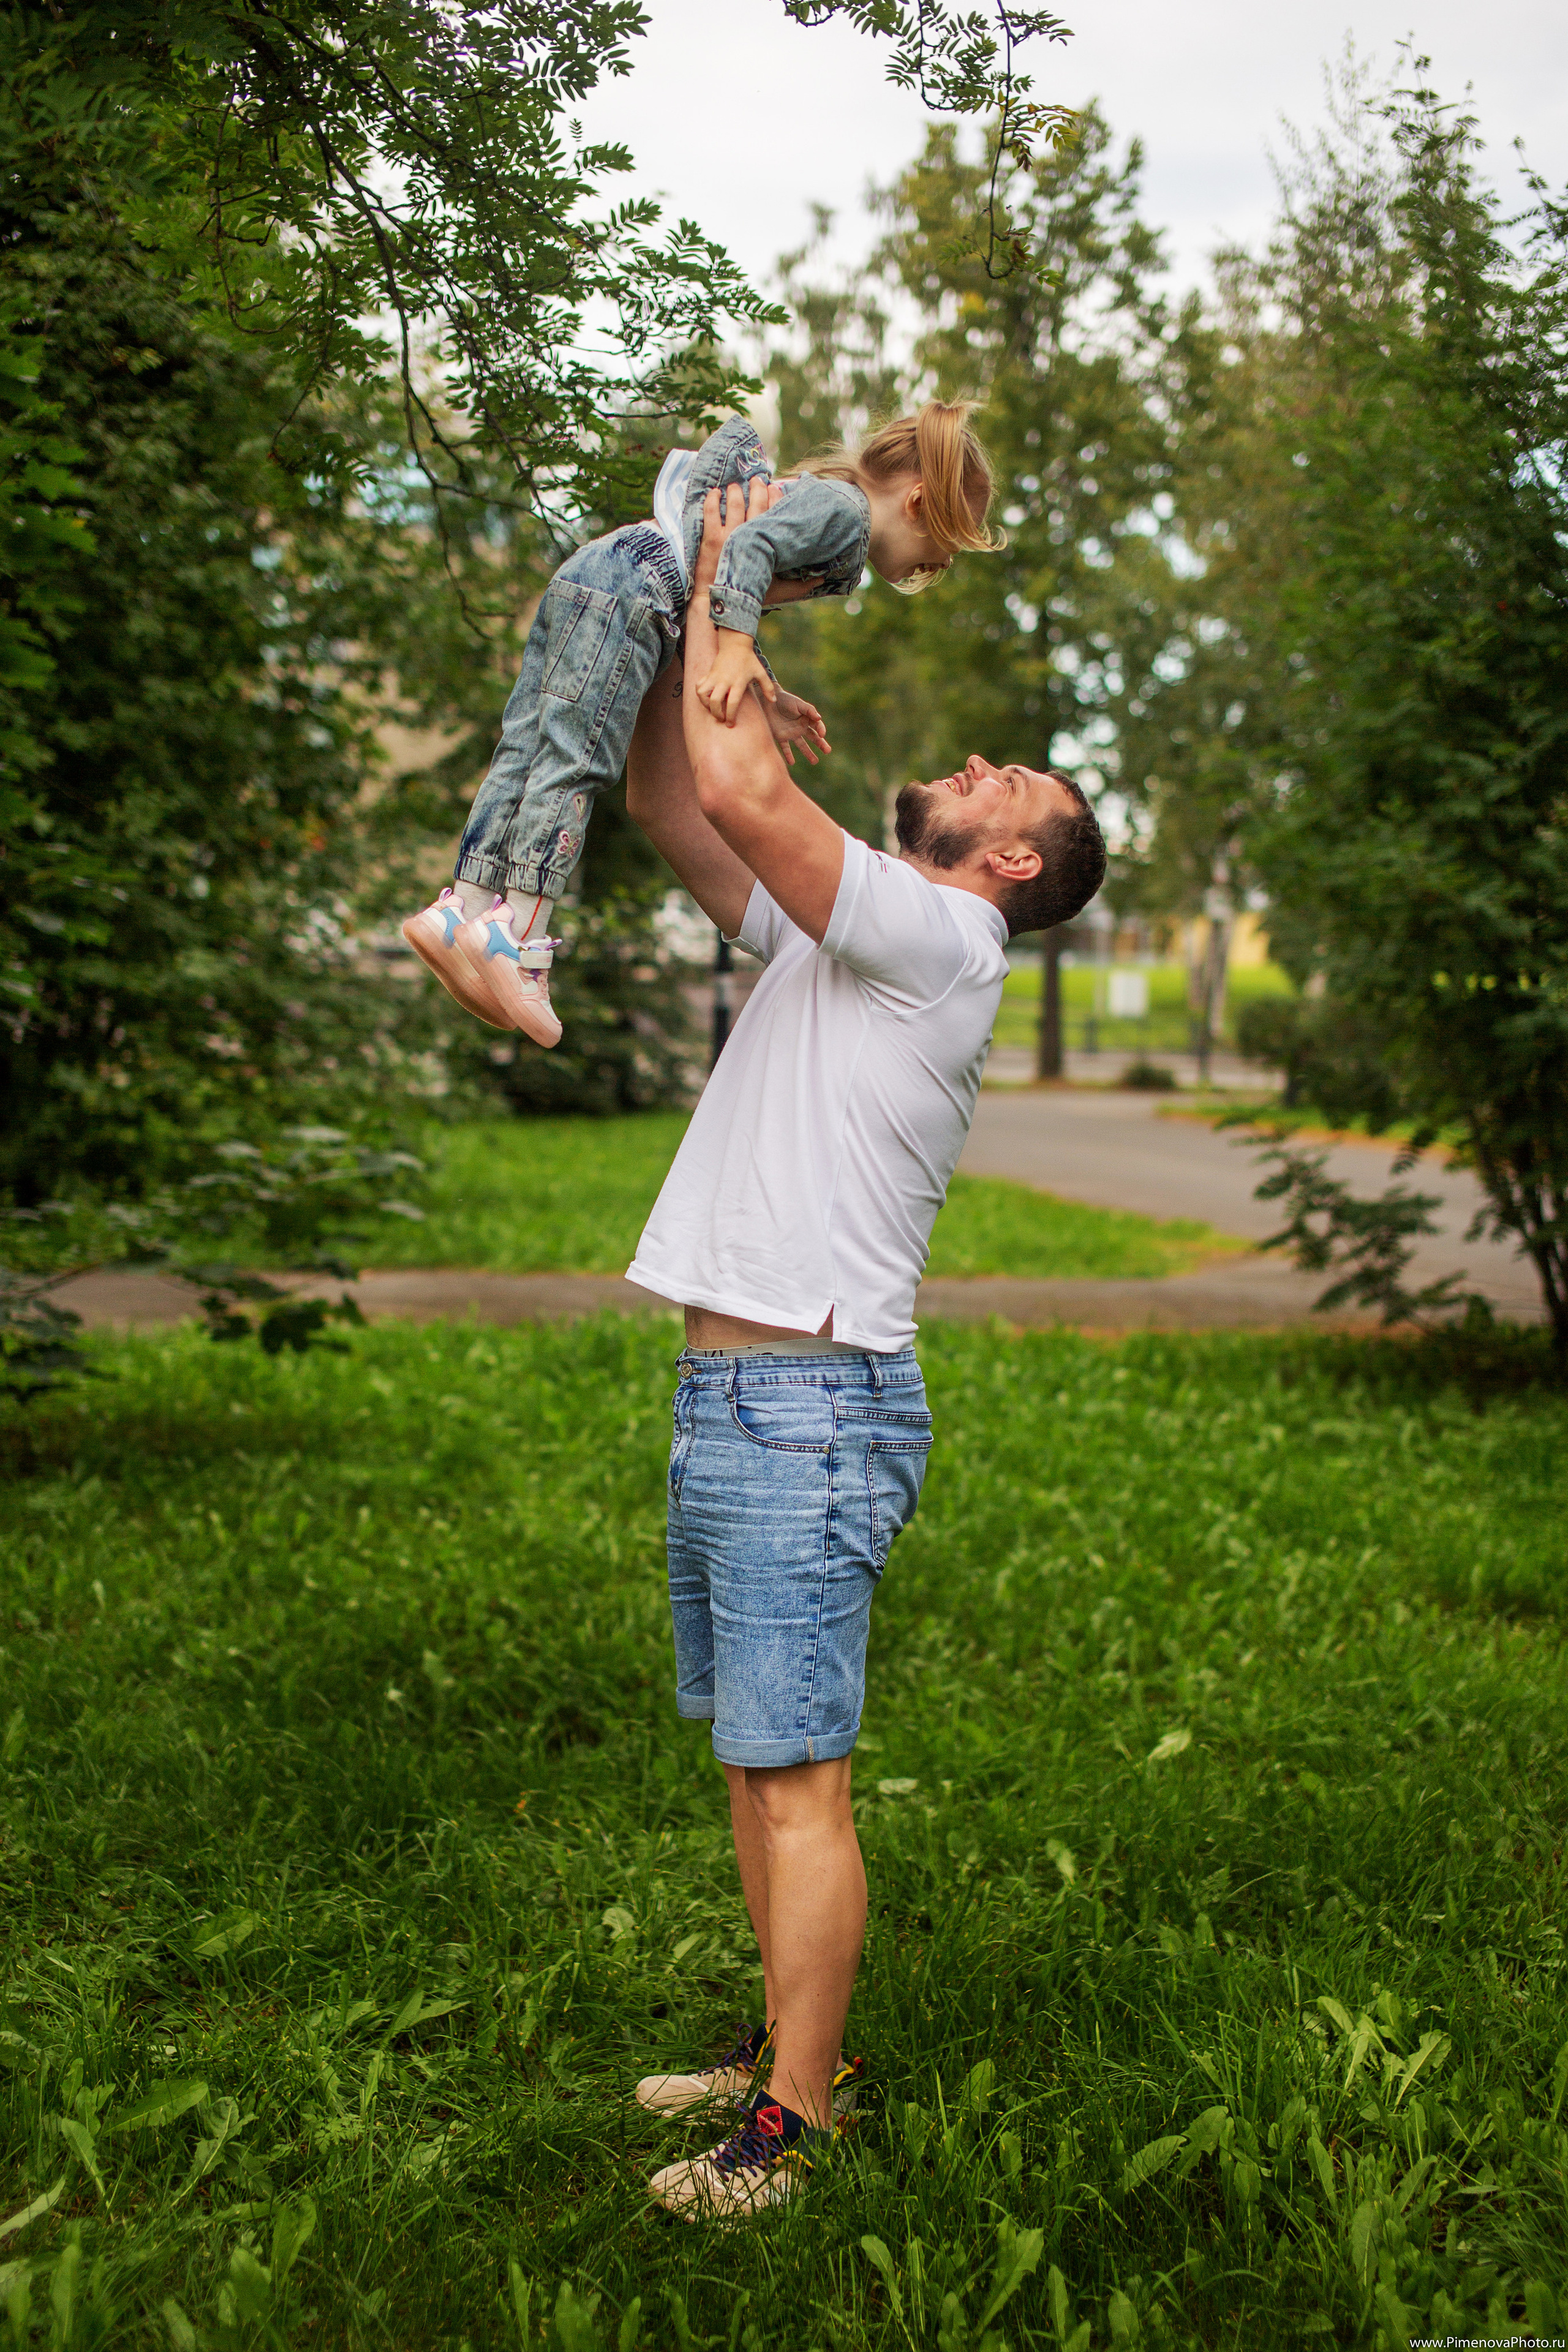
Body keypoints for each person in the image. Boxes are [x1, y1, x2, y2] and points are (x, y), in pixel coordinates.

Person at [619, 479, 1106, 2220]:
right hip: (741, 1396)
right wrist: (689, 645)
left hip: (804, 1406)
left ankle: (795, 2124)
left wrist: (736, 588)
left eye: (1006, 781)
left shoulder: (941, 934)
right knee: (756, 1766)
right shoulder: (857, 936)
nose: (974, 761)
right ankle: (781, 2047)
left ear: (1010, 864)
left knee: (799, 1780)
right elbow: (680, 802)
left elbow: (753, 790)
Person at [400, 402, 1003, 1048]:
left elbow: (722, 582)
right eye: (944, 548)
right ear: (917, 503)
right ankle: (516, 934)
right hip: (640, 592)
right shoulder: (847, 518)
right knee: (576, 761)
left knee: (526, 748)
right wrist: (737, 649)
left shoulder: (828, 503)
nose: (937, 567)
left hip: (599, 571)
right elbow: (744, 549)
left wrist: (763, 687)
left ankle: (461, 908)